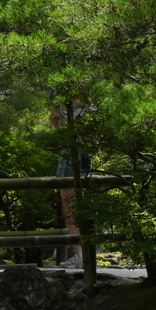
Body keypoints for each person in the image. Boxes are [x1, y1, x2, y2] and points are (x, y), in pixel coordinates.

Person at [51, 95, 95, 268]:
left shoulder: (90, 111)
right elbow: (68, 141)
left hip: (81, 158)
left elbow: (92, 140)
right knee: (68, 208)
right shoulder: (72, 110)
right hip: (67, 158)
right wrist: (57, 126)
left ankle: (86, 254)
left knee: (78, 208)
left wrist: (72, 123)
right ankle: (78, 254)